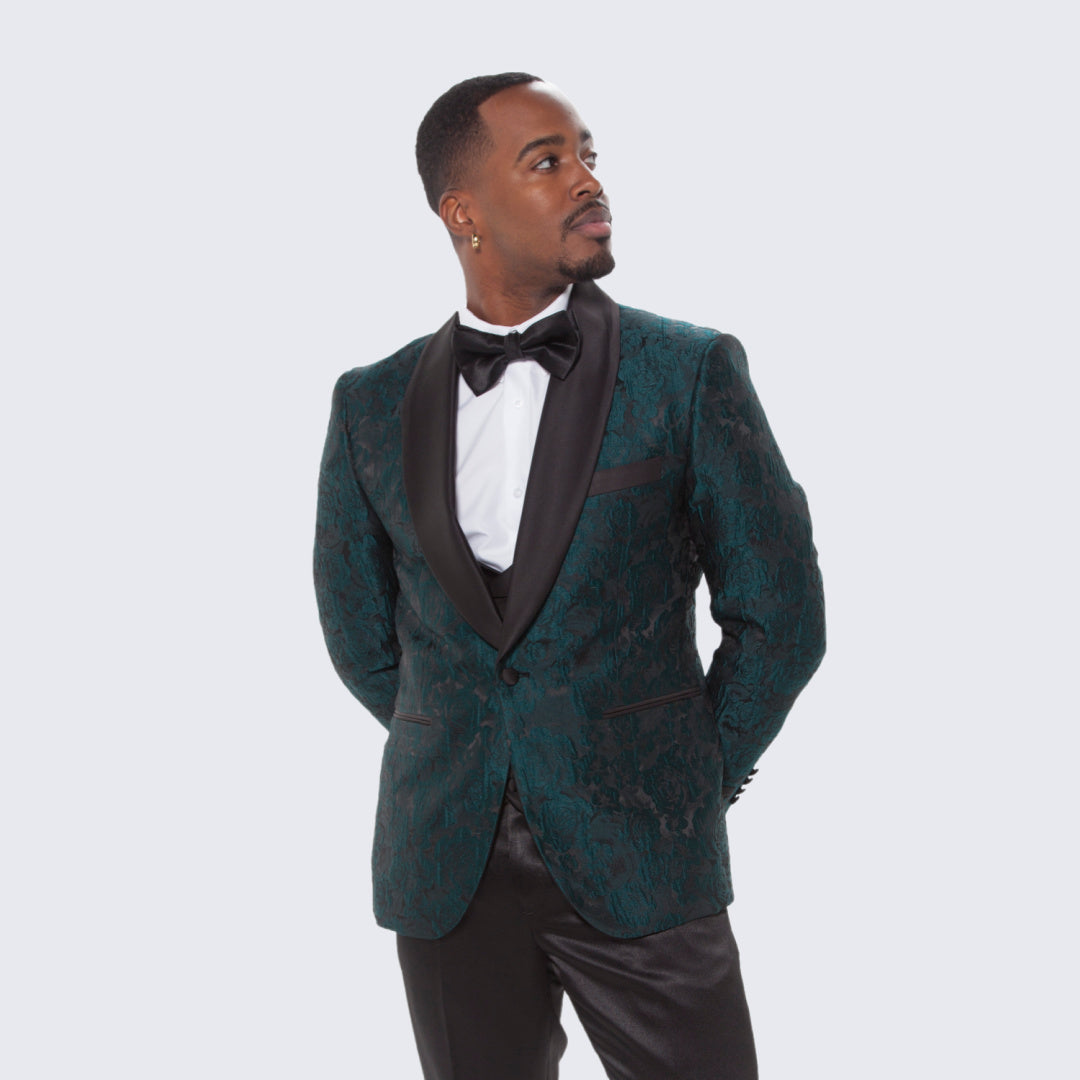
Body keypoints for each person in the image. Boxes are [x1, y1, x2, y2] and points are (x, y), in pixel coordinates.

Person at [314, 72, 825, 1080]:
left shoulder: (687, 372)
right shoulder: (370, 402)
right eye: (547, 161)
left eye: (589, 154)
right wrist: (475, 745)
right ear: (463, 211)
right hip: (445, 860)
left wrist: (681, 776)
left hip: (643, 855)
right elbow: (360, 630)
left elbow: (781, 617)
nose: (588, 180)